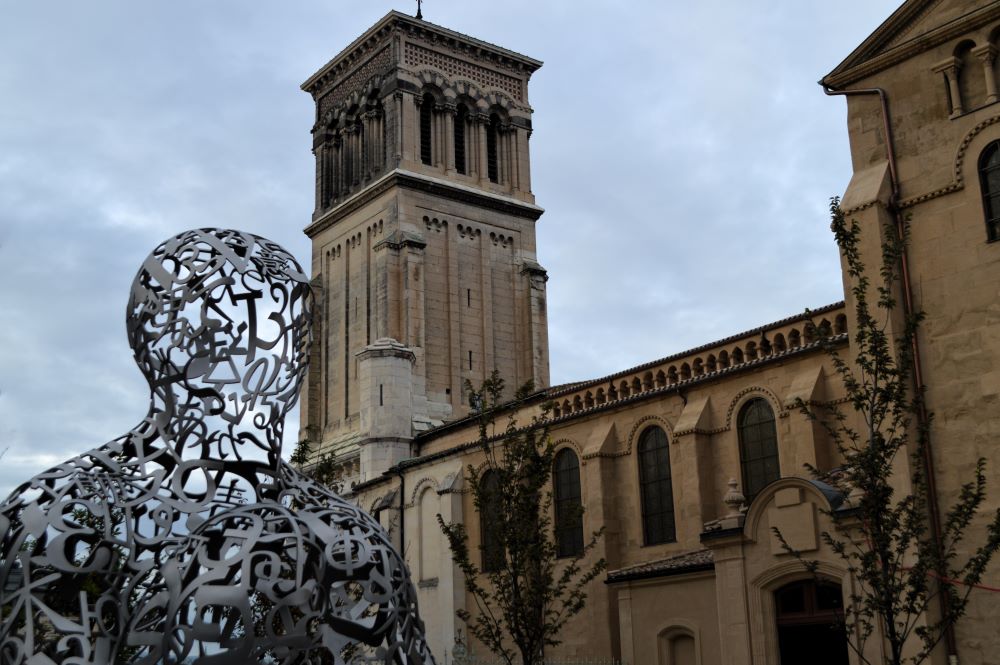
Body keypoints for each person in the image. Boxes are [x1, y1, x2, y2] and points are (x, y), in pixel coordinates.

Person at [0, 229, 434, 664]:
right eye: (251, 333)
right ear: (166, 340)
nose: (287, 356)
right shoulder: (64, 509)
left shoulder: (349, 535)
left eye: (294, 332)